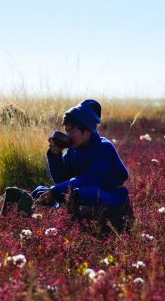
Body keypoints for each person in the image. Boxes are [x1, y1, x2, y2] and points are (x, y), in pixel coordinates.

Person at [31, 99, 133, 232]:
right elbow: (61, 179)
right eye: (67, 131)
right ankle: (29, 209)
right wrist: (55, 155)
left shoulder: (104, 148)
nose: (68, 136)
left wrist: (56, 191)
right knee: (41, 191)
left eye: (72, 131)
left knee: (84, 193)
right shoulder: (74, 149)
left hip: (111, 195)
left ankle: (65, 212)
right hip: (80, 191)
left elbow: (91, 180)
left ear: (88, 131)